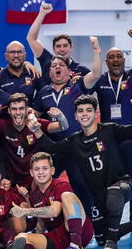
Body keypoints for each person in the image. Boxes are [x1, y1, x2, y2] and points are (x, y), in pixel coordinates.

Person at [29, 96, 132, 249]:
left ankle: (111, 244)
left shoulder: (109, 130)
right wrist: (36, 130)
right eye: (80, 111)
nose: (84, 114)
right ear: (75, 116)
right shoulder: (73, 141)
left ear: (96, 113)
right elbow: (52, 148)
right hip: (98, 198)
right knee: (101, 237)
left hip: (122, 185)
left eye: (89, 110)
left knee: (113, 197)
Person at [91, 29, 132, 224]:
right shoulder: (100, 80)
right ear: (107, 62)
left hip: (131, 139)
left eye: (119, 56)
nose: (116, 60)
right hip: (108, 141)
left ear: (124, 60)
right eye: (111, 57)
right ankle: (108, 222)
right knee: (106, 182)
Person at [31, 37, 101, 213]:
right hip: (53, 148)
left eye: (61, 66)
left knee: (81, 183)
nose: (56, 68)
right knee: (44, 182)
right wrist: (32, 118)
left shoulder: (77, 86)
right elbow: (34, 115)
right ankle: (45, 219)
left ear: (69, 72)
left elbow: (96, 75)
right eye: (53, 66)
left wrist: (97, 51)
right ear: (49, 73)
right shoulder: (43, 93)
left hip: (77, 147)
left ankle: (91, 221)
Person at [0, 93, 67, 188]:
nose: (18, 112)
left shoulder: (36, 124)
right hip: (12, 182)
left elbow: (63, 126)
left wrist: (61, 116)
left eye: (21, 108)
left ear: (27, 110)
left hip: (36, 179)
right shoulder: (3, 125)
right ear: (9, 111)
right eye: (14, 109)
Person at [10, 152, 94, 249]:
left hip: (81, 232)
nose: (41, 172)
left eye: (45, 168)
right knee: (21, 238)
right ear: (32, 173)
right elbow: (40, 224)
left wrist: (24, 211)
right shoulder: (33, 196)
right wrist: (36, 240)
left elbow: (54, 211)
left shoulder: (61, 185)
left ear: (52, 171)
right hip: (58, 237)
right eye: (37, 169)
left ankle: (76, 245)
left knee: (67, 196)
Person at [26, 3, 91, 85]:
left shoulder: (82, 71)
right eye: (58, 46)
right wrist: (42, 13)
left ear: (71, 47)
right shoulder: (47, 61)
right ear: (53, 48)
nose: (62, 49)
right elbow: (31, 39)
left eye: (65, 45)